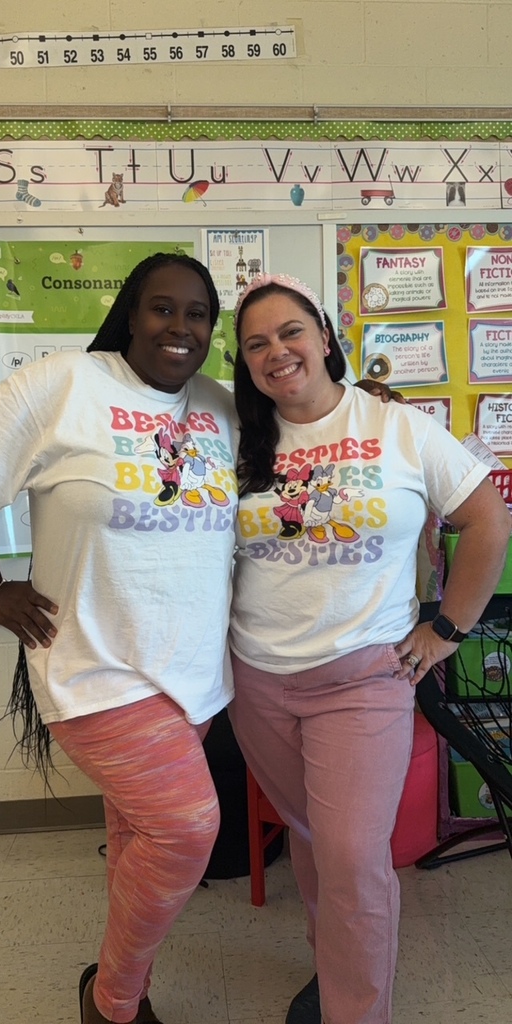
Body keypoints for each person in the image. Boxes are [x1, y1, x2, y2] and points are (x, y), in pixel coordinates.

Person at [0, 253, 239, 1024]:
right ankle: (113, 1000)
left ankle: (112, 980)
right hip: (94, 667)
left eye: (198, 313)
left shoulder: (222, 406)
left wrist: (365, 404)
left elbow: (304, 435)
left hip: (194, 676)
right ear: (133, 313)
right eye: (162, 309)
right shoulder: (65, 383)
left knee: (139, 831)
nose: (181, 327)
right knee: (186, 827)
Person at [228, 273, 512, 1024]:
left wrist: (446, 630)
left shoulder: (401, 429)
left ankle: (358, 1009)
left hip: (363, 680)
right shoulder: (236, 437)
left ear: (324, 336)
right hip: (258, 681)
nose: (276, 352)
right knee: (318, 841)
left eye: (290, 331)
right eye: (255, 344)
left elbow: (487, 523)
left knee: (354, 857)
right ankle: (339, 969)